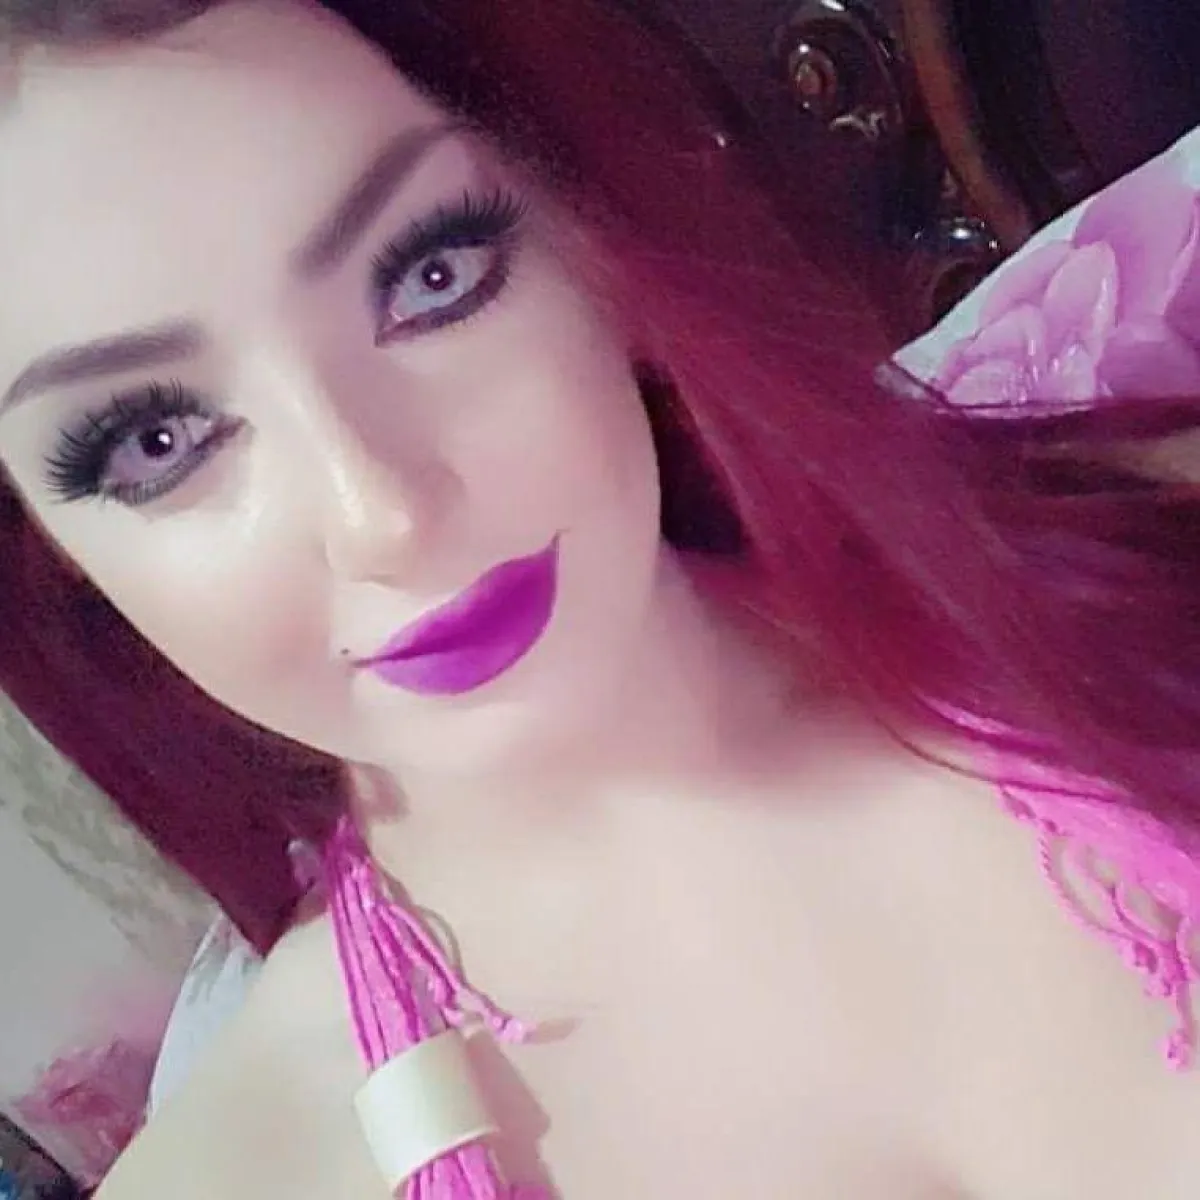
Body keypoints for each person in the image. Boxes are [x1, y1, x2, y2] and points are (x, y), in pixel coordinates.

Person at [1, 0, 1200, 1196]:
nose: (383, 516)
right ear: (55, 546)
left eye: (432, 274)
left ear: (584, 229)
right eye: (155, 442)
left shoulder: (1122, 551)